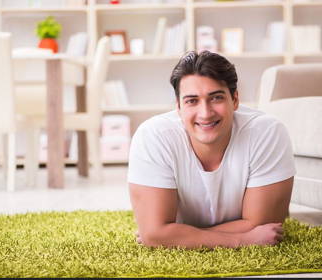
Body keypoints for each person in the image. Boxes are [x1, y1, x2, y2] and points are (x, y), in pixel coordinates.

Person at [127, 51, 296, 249]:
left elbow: (262, 225)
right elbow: (155, 234)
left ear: (234, 100)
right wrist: (242, 240)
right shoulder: (153, 136)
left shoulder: (266, 132)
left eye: (216, 98)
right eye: (192, 101)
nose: (205, 113)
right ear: (178, 107)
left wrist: (171, 235)